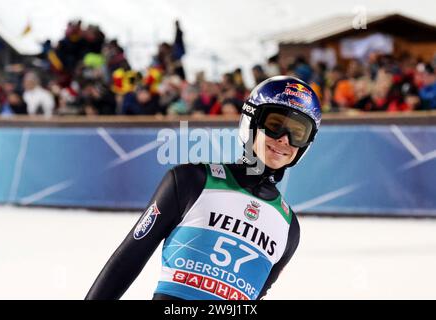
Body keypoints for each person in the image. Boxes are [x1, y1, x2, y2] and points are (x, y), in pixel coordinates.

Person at [85, 76, 322, 300]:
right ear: (251, 121)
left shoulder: (289, 228)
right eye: (275, 124)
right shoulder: (191, 181)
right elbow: (128, 258)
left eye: (297, 133)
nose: (284, 139)